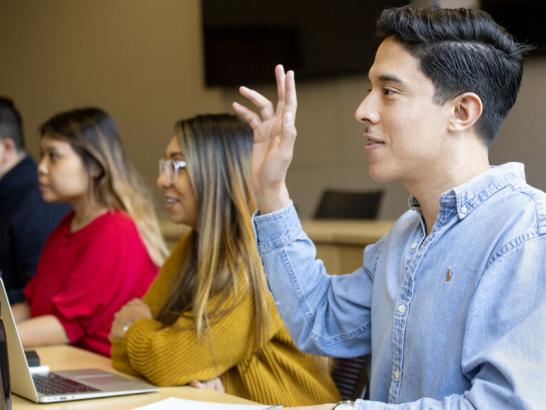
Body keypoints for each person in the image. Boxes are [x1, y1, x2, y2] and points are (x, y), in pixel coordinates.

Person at [234, 5, 545, 410]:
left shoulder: (527, 234)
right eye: (370, 89)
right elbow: (320, 321)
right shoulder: (406, 235)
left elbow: (505, 405)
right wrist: (270, 188)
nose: (363, 110)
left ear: (462, 112)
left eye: (389, 91)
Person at [109, 114, 340, 406]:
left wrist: (134, 329)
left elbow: (167, 361)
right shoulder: (193, 243)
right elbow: (119, 350)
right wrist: (160, 353)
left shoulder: (256, 258)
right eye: (164, 166)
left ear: (218, 173)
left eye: (178, 165)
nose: (162, 180)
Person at [11, 107, 167, 356]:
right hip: (68, 364)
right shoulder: (66, 227)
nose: (40, 167)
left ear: (94, 166)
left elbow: (65, 326)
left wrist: (4, 337)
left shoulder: (116, 230)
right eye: (41, 155)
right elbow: (32, 306)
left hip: (106, 373)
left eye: (53, 156)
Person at [0, 97, 69, 304]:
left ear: (6, 148)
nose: (43, 168)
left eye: (53, 156)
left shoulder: (39, 198)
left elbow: (37, 296)